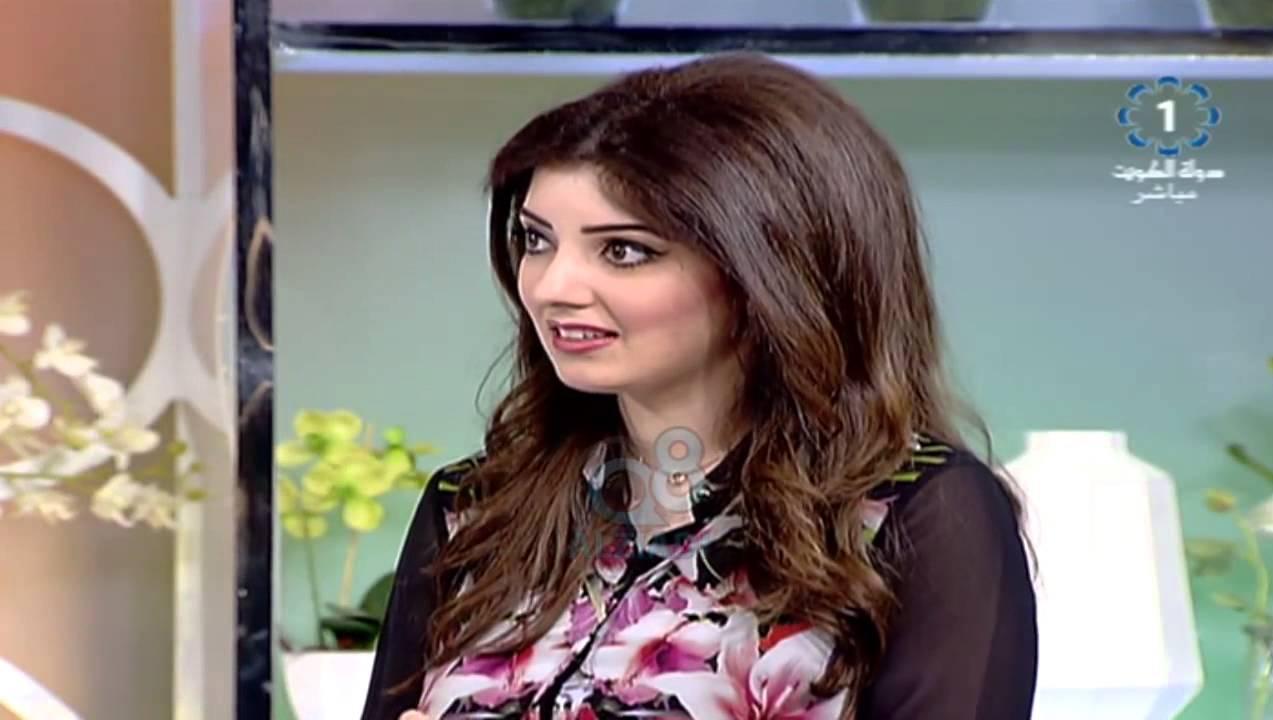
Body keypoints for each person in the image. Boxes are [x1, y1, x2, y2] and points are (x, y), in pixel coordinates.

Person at [360, 51, 1038, 720]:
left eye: (624, 250)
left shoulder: (920, 516)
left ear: (769, 274)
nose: (551, 287)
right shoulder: (474, 512)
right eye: (537, 241)